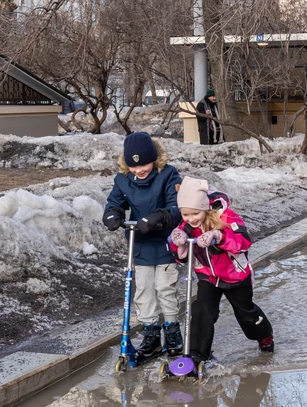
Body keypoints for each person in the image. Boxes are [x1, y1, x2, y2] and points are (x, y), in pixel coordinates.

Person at [168, 177, 273, 368]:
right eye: (185, 215)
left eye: (195, 213)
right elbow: (181, 256)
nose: (191, 219)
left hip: (235, 275)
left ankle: (264, 336)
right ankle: (197, 355)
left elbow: (243, 241)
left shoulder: (226, 217)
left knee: (246, 313)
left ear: (205, 207)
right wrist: (178, 240)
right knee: (202, 310)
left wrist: (218, 235)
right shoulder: (188, 225)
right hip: (208, 275)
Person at [104, 133, 184, 361]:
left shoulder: (168, 174)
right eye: (133, 165)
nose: (139, 170)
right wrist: (112, 214)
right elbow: (115, 201)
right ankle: (151, 337)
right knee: (144, 291)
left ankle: (172, 334)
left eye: (144, 164)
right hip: (140, 245)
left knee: (165, 288)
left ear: (154, 158)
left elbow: (175, 207)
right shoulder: (123, 179)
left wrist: (158, 217)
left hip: (165, 243)